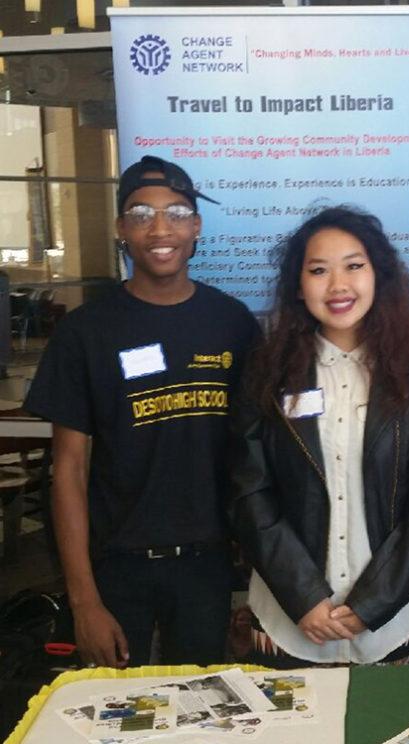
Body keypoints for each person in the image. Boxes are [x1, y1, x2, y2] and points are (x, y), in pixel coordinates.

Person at [24, 155, 260, 667]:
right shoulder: (85, 333)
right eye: (140, 214)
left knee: (199, 712)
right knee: (113, 719)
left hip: (207, 566)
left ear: (196, 226)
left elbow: (254, 452)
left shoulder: (233, 324)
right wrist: (84, 600)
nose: (160, 228)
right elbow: (67, 470)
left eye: (176, 212)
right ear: (120, 229)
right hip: (114, 570)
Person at [228, 206, 409, 666]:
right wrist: (304, 598)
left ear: (378, 275)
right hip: (288, 621)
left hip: (391, 622)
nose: (338, 286)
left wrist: (370, 605)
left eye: (354, 266)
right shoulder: (266, 374)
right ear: (298, 285)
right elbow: (250, 493)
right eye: (318, 271)